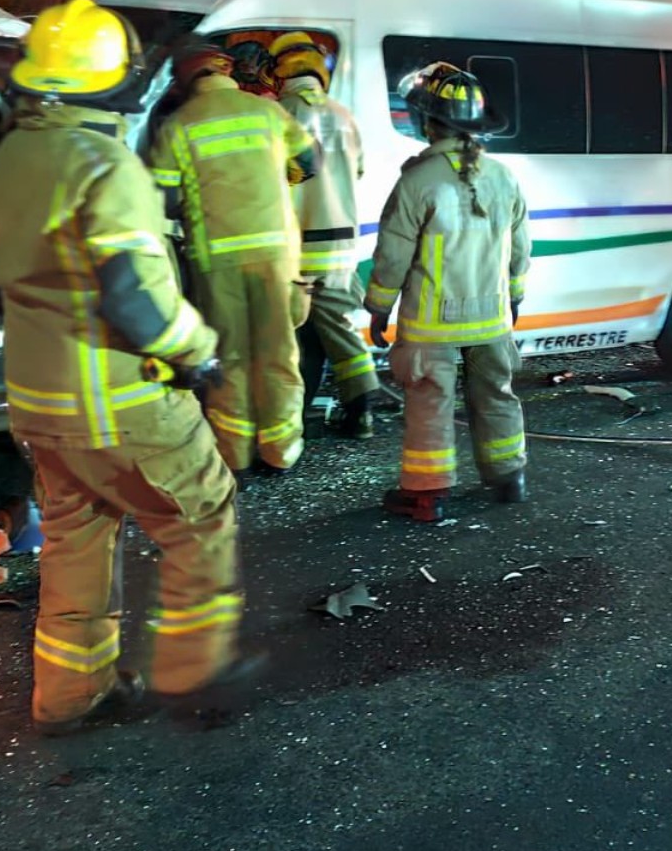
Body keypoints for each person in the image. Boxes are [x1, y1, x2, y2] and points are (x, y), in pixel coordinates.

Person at [0, 0, 258, 736]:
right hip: (118, 397)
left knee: (77, 539)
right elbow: (138, 301)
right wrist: (201, 354)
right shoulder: (104, 164)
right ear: (114, 82)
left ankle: (69, 698)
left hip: (37, 401)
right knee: (199, 519)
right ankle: (193, 677)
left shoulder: (7, 162)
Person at [365, 62, 531, 521]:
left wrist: (379, 307)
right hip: (492, 319)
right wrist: (514, 298)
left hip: (431, 324)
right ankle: (507, 477)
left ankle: (426, 494)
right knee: (496, 393)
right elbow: (520, 248)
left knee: (429, 402)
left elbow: (393, 255)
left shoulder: (419, 180)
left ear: (427, 121)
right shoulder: (503, 176)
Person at [148, 43, 316, 473]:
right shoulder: (267, 111)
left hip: (215, 259)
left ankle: (234, 453)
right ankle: (280, 451)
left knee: (230, 358)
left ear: (185, 81)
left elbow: (163, 199)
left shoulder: (178, 125)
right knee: (278, 353)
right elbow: (310, 161)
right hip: (276, 255)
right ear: (227, 70)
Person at [269, 32, 380, 438]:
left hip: (296, 248)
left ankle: (294, 421)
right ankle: (361, 409)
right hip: (341, 247)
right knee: (336, 327)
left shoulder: (278, 116)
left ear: (280, 70)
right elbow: (359, 172)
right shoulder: (344, 116)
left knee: (294, 338)